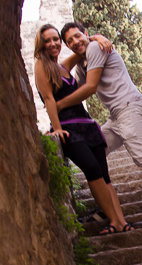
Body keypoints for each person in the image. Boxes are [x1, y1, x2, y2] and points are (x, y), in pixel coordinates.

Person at [56, 21, 142, 227]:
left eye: (77, 36)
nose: (74, 41)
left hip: (128, 106)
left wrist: (59, 105)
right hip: (115, 115)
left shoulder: (94, 48)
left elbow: (90, 88)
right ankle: (106, 206)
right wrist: (90, 39)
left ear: (86, 34)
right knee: (95, 152)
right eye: (69, 41)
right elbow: (62, 70)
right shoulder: (86, 59)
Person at [33, 23, 131, 234]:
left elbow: (82, 47)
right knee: (92, 170)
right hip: (69, 128)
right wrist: (56, 128)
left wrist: (98, 36)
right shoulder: (41, 65)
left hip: (87, 126)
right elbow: (49, 98)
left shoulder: (62, 66)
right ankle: (113, 220)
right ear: (41, 45)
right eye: (47, 40)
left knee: (105, 176)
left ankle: (121, 223)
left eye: (56, 39)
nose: (53, 44)